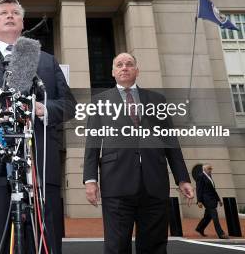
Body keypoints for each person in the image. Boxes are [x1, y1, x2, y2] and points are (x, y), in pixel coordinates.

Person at [0, 0, 76, 254]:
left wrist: (44, 109)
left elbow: (69, 104)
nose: (10, 16)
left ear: (22, 23)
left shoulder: (45, 60)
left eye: (15, 13)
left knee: (43, 241)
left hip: (39, 164)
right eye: (3, 13)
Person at [83, 52, 195, 254]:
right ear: (113, 72)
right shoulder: (99, 102)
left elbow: (171, 142)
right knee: (116, 246)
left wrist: (182, 178)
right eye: (119, 64)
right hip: (116, 183)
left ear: (137, 70)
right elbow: (92, 144)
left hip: (154, 183)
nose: (124, 67)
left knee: (154, 246)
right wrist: (90, 180)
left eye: (129, 64)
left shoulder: (157, 100)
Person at [195, 164, 228, 239]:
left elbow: (213, 190)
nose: (211, 170)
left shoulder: (209, 177)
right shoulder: (201, 176)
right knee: (214, 216)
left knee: (208, 216)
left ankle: (200, 228)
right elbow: (199, 189)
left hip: (212, 199)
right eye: (209, 169)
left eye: (211, 169)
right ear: (204, 169)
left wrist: (218, 199)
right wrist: (199, 201)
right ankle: (221, 234)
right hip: (206, 200)